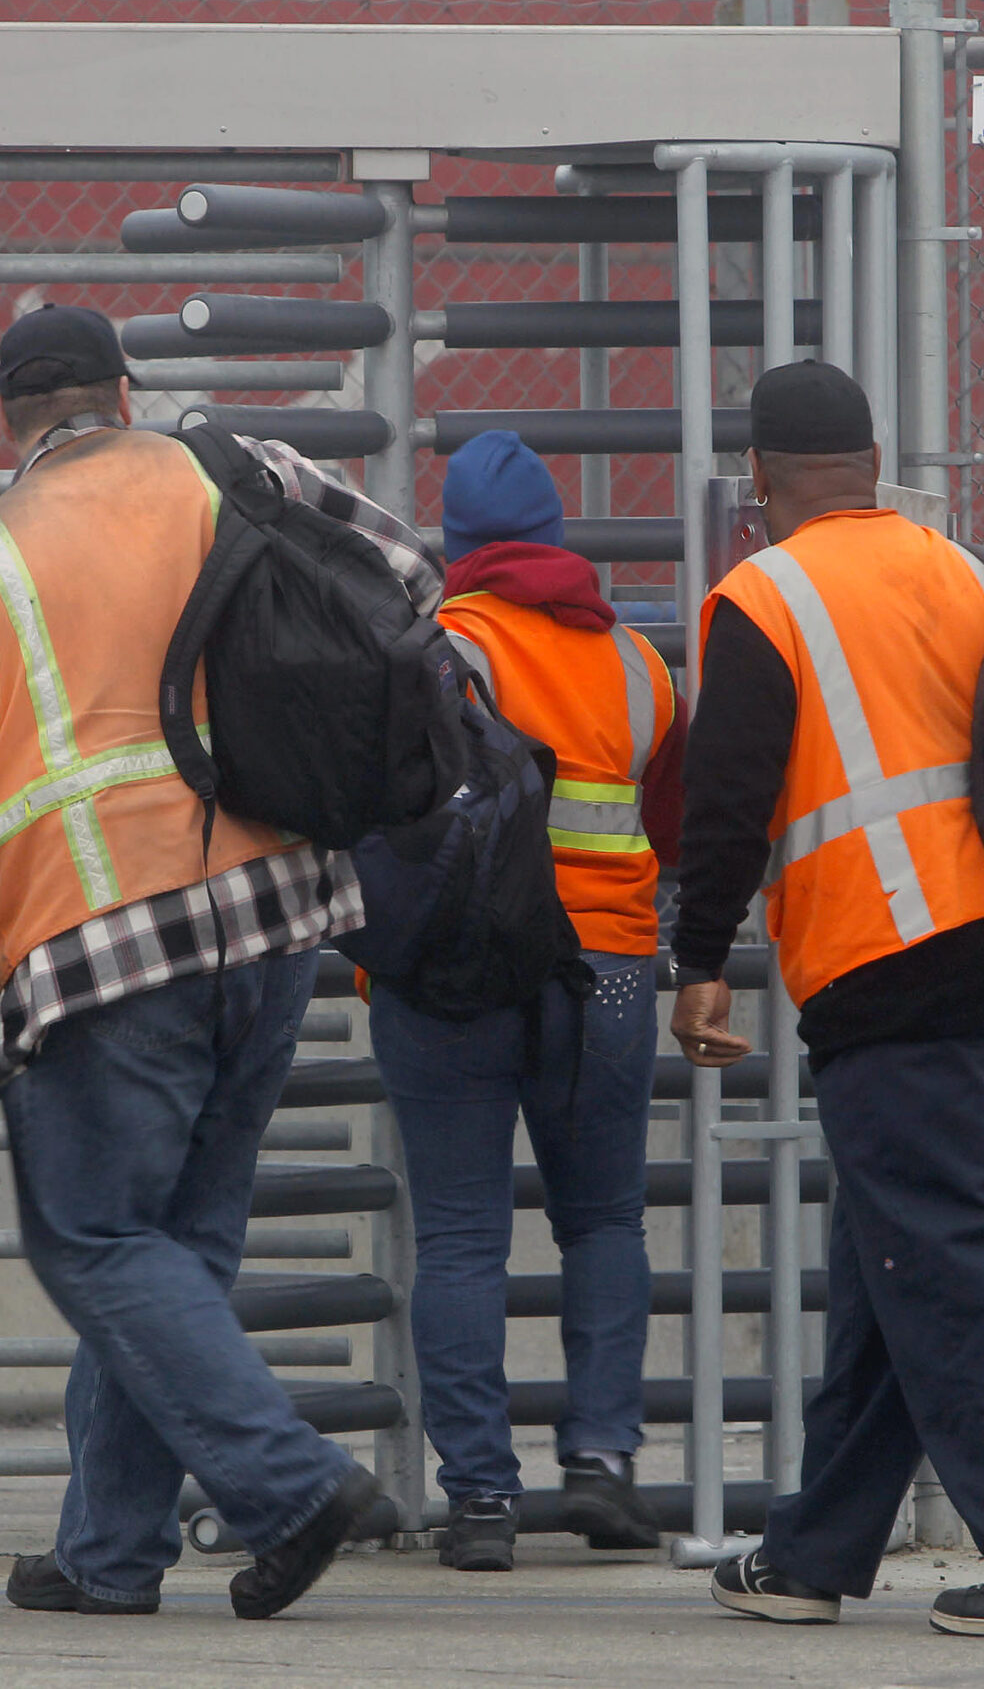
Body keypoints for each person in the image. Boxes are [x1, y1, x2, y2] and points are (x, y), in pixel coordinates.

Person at [0, 305, 437, 1621]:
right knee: (175, 1249)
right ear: (125, 390)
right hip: (273, 916)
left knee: (99, 1241)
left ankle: (289, 1484)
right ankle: (109, 1550)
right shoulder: (245, 472)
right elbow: (407, 579)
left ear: (8, 418)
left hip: (102, 946)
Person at [669, 361, 984, 1638]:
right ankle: (816, 1550)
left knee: (945, 1260)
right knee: (898, 1262)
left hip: (887, 964)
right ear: (872, 462)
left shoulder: (760, 596)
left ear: (756, 478)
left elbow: (726, 802)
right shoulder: (967, 568)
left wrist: (696, 959)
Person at [368, 431, 686, 1572]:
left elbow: (386, 811)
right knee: (604, 1220)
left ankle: (483, 1504)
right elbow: (674, 824)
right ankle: (602, 1464)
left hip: (459, 974)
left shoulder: (445, 650)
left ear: (457, 544)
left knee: (460, 1237)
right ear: (556, 540)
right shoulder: (642, 667)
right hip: (604, 972)